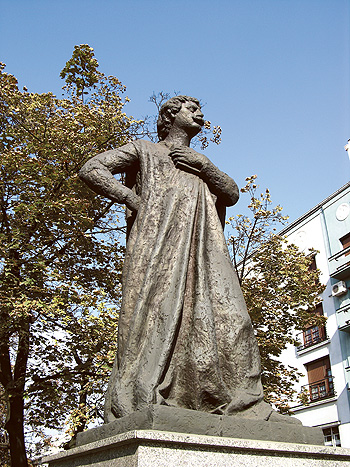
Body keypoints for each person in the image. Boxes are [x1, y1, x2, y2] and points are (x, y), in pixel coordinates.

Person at [79, 96, 265, 423]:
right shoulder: (144, 150)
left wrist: (204, 166)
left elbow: (232, 194)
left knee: (233, 321)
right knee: (155, 320)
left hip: (204, 255)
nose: (200, 114)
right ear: (170, 114)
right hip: (158, 254)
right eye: (192, 109)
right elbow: (91, 168)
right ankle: (147, 393)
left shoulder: (200, 162)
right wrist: (131, 199)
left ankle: (232, 400)